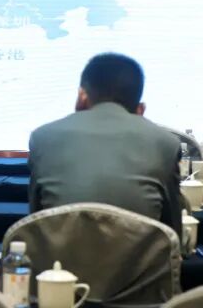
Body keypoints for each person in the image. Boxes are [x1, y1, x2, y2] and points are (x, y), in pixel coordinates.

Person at [29, 53, 181, 235]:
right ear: (139, 105)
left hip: (58, 254)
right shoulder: (165, 143)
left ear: (82, 95)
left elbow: (35, 223)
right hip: (139, 254)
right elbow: (172, 233)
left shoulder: (42, 137)